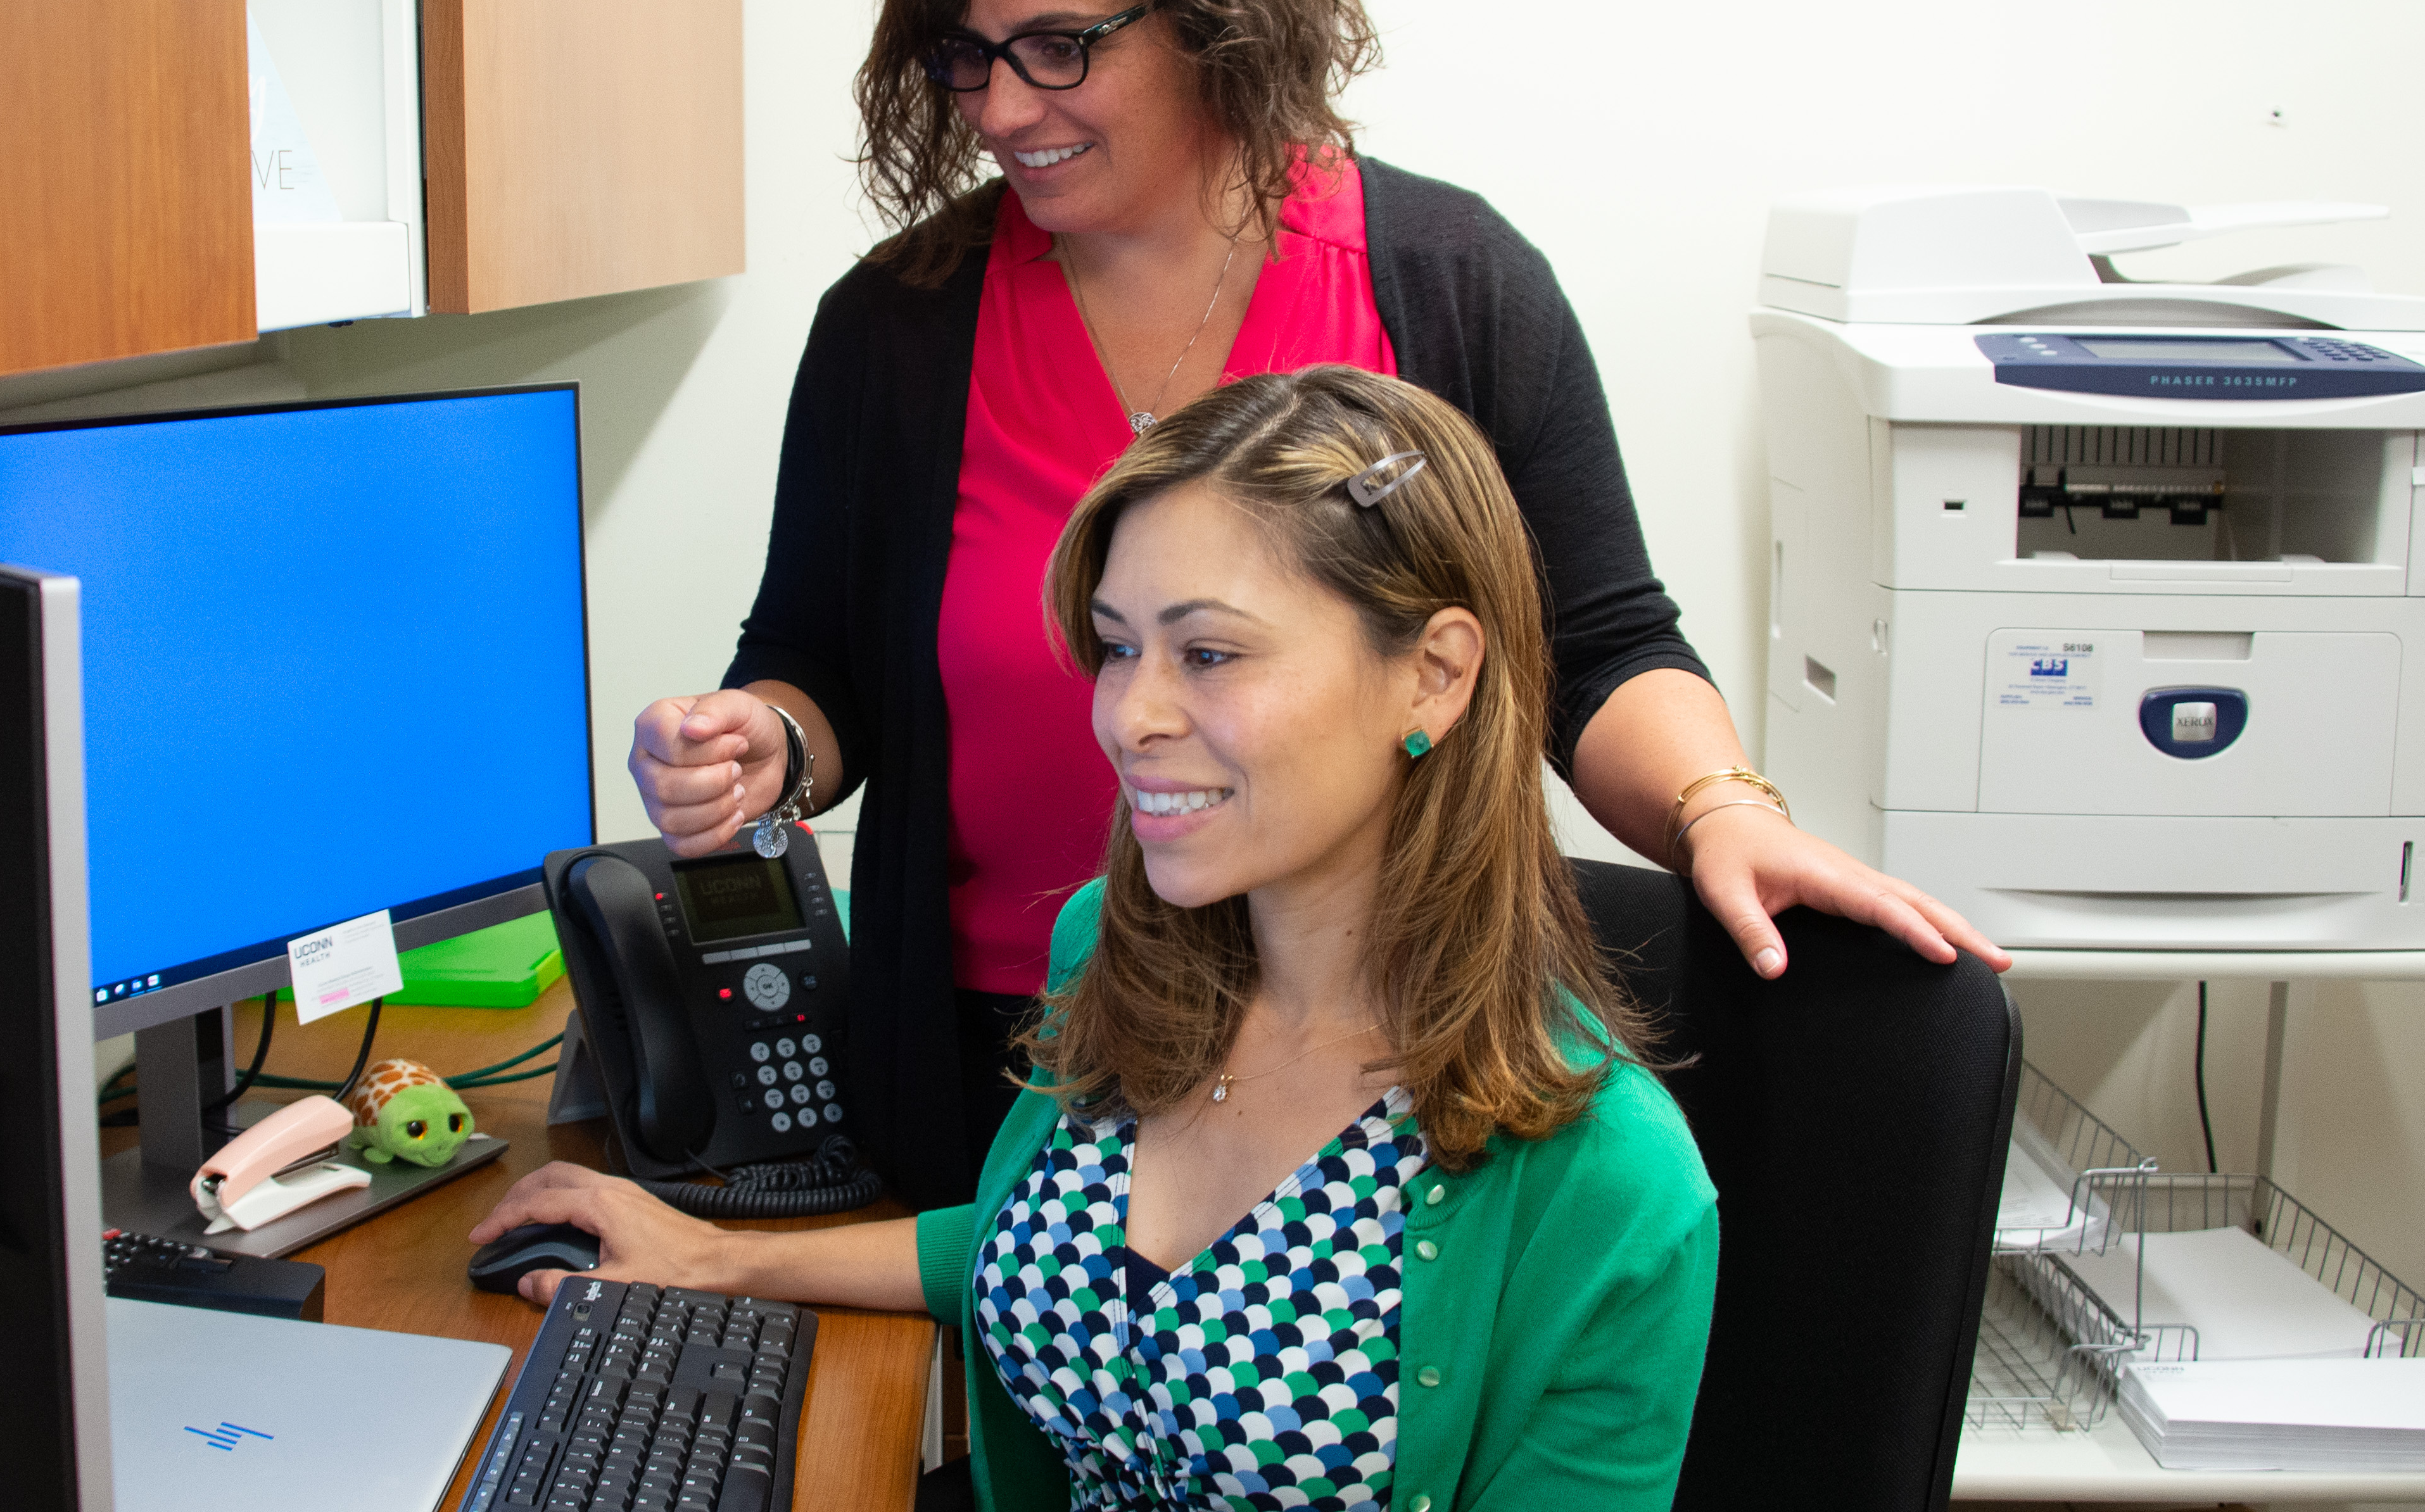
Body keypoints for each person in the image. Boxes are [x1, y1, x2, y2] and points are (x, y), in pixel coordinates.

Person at [629, 0, 2004, 1208]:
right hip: (1006, 1051)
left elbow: (1595, 646)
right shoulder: (898, 330)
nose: (1002, 107)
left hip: (1375, 1051)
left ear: (1214, 17)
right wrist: (764, 746)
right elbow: (816, 662)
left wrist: (1724, 809)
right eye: (969, 59)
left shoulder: (1451, 287)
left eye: (1058, 47)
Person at [488, 369, 1720, 1511]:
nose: (1131, 713)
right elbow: (1063, 1240)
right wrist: (719, 1258)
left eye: (1211, 652)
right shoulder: (1121, 956)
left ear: (1435, 676)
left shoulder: (1610, 1188)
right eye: (1121, 646)